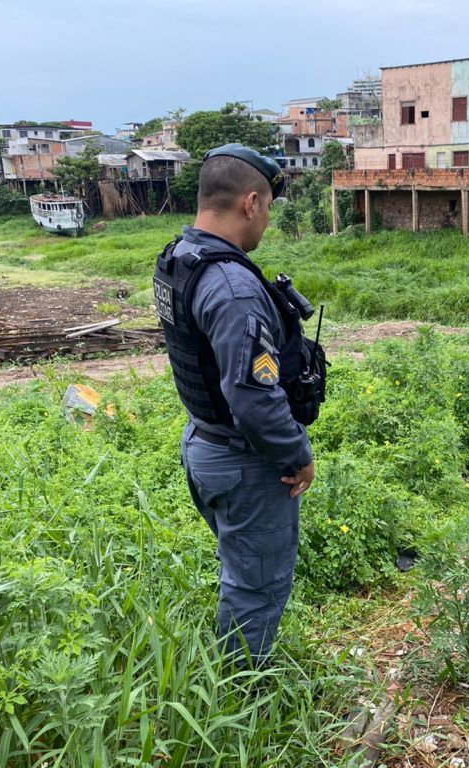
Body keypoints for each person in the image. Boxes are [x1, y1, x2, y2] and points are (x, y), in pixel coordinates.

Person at [154, 143, 323, 664]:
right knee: (258, 584)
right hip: (244, 460)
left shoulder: (181, 258)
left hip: (204, 441)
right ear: (250, 203)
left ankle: (237, 666)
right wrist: (297, 455)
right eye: (268, 208)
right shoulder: (232, 286)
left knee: (243, 568)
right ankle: (241, 696)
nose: (267, 220)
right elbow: (253, 395)